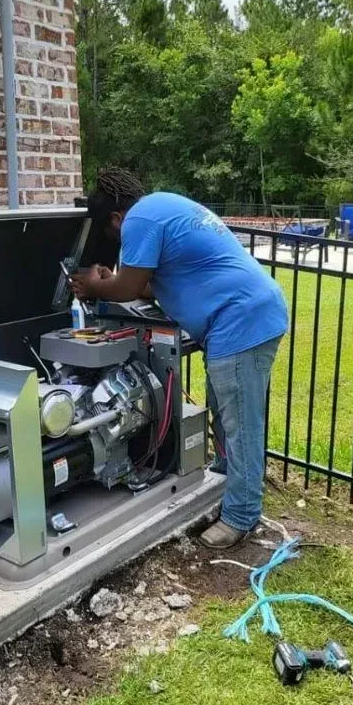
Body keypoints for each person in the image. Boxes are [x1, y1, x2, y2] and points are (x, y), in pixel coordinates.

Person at [72, 168, 288, 550]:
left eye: (112, 234)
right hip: (246, 316)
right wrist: (111, 281)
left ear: (117, 219)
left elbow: (128, 287)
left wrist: (95, 285)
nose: (118, 241)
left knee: (241, 424)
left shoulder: (138, 218)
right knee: (226, 410)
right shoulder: (162, 206)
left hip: (240, 322)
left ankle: (240, 515)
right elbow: (155, 284)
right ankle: (226, 475)